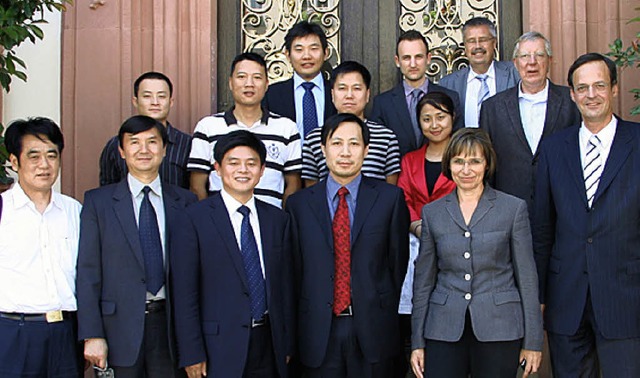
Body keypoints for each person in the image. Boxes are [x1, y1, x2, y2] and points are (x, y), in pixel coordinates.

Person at [533, 53, 640, 377]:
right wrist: (538, 296)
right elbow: (542, 228)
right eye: (583, 88)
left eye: (599, 86)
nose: (591, 94)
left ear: (614, 89)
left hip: (626, 297)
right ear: (572, 94)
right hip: (567, 298)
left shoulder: (637, 142)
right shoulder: (553, 149)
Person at [411, 128, 543, 378]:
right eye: (458, 161)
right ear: (449, 164)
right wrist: (417, 341)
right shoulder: (433, 213)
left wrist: (533, 341)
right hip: (443, 328)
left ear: (487, 164)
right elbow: (424, 282)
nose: (466, 169)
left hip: (500, 328)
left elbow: (527, 278)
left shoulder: (512, 209)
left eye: (475, 161)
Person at [287, 113, 410, 377]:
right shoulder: (299, 205)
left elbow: (396, 265)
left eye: (354, 144)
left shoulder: (390, 199)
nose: (345, 152)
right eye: (336, 143)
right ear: (323, 149)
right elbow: (295, 272)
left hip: (373, 329)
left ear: (366, 150)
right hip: (318, 331)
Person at [77, 115, 197, 376]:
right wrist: (92, 334)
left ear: (164, 150)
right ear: (121, 151)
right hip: (117, 328)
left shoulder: (186, 202)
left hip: (170, 327)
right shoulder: (99, 203)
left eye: (152, 142)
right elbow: (87, 273)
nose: (144, 150)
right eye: (134, 143)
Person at [171, 130, 293, 378]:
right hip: (218, 346)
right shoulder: (194, 219)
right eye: (233, 163)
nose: (243, 170)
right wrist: (192, 353)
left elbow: (286, 287)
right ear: (217, 168)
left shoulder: (277, 220)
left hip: (269, 343)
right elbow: (185, 293)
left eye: (251, 163)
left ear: (262, 170)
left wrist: (287, 342)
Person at [0, 117, 82, 378]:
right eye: (33, 156)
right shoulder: (3, 211)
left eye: (52, 155)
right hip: (13, 333)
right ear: (15, 162)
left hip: (65, 333)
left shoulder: (74, 211)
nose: (44, 165)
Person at [480, 31, 580, 211]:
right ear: (516, 63)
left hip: (562, 208)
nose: (532, 62)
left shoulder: (572, 101)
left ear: (550, 61)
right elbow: (486, 163)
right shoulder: (492, 108)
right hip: (507, 210)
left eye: (539, 55)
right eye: (525, 56)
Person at [188, 52, 302, 207]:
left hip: (271, 225)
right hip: (220, 224)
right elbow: (197, 185)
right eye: (241, 77)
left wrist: (281, 221)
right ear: (230, 82)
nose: (249, 84)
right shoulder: (207, 127)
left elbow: (293, 185)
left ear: (267, 83)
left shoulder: (286, 128)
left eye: (257, 77)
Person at [395, 92, 457, 376]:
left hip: (455, 244)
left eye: (440, 117)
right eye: (427, 118)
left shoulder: (462, 158)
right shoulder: (409, 160)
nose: (434, 124)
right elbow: (403, 197)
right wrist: (418, 224)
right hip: (415, 241)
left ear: (452, 118)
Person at [302, 61, 401, 186]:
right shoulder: (314, 138)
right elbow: (312, 192)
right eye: (342, 88)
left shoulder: (386, 138)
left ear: (367, 94)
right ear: (332, 94)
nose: (349, 95)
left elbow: (391, 192)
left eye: (357, 88)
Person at [370, 30, 461, 156]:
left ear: (428, 58)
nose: (413, 64)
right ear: (397, 61)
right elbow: (378, 150)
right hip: (399, 173)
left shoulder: (450, 97)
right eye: (406, 58)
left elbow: (458, 143)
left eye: (418, 57)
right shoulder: (382, 103)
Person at [99, 71, 192, 188]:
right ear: (135, 101)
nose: (155, 102)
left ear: (171, 101)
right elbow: (108, 190)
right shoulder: (116, 144)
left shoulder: (188, 144)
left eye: (161, 96)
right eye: (147, 96)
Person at [439, 17, 520, 128]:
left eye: (483, 40)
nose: (477, 46)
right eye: (471, 41)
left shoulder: (515, 73)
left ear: (494, 43)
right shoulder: (449, 84)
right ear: (465, 46)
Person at [263, 20, 337, 141]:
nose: (306, 56)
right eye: (299, 50)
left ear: (326, 53)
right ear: (287, 55)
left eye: (314, 48)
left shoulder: (337, 92)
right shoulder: (271, 95)